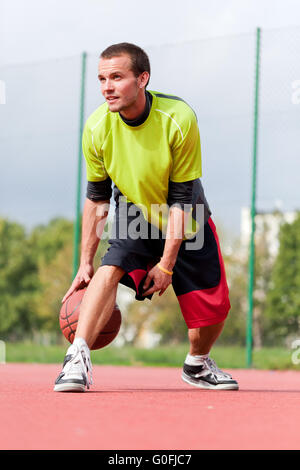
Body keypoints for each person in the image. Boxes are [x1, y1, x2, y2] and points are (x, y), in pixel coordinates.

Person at [54, 43, 238, 392]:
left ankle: (197, 364)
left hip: (185, 214)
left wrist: (167, 264)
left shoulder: (178, 117)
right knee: (109, 269)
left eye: (117, 77)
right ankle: (76, 358)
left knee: (213, 308)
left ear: (143, 78)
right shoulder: (97, 128)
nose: (107, 86)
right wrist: (84, 263)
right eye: (102, 79)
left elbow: (183, 199)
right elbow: (97, 199)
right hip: (134, 209)